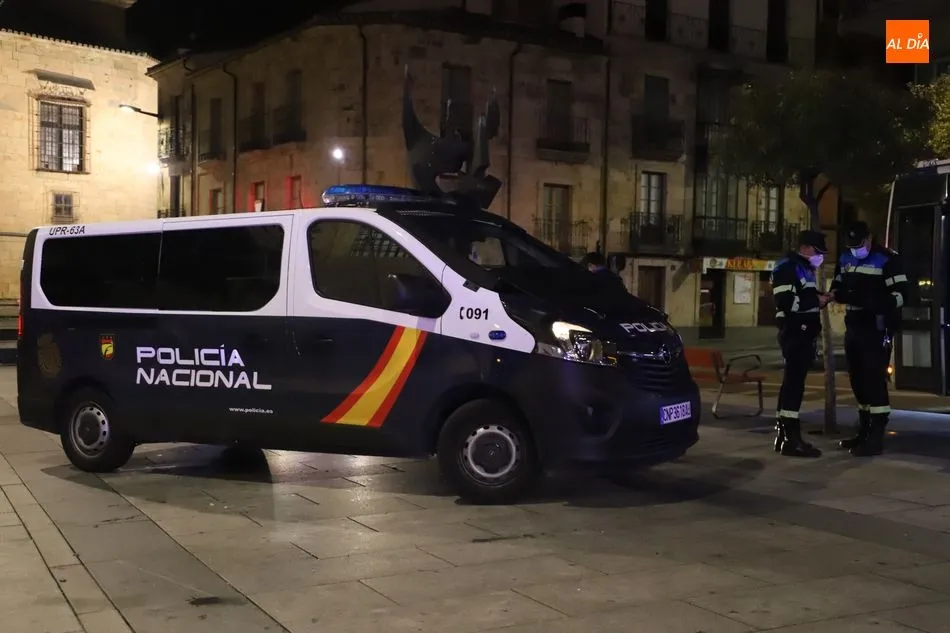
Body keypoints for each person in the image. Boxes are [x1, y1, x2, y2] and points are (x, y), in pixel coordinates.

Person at [830, 221, 907, 457]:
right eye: (852, 245)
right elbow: (837, 287)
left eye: (859, 244)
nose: (856, 249)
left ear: (869, 238)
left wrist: (877, 303)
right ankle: (863, 431)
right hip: (854, 324)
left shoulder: (887, 259)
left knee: (874, 380)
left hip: (876, 327)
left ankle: (876, 437)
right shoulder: (846, 257)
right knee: (857, 380)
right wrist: (841, 295)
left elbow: (903, 294)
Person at [770, 230, 831, 457]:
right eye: (818, 251)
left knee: (792, 384)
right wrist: (815, 299)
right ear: (805, 248)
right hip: (795, 332)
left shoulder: (802, 268)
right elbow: (785, 301)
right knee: (794, 386)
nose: (820, 256)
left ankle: (784, 435)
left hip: (802, 333)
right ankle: (791, 438)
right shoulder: (788, 267)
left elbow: (803, 296)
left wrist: (821, 297)